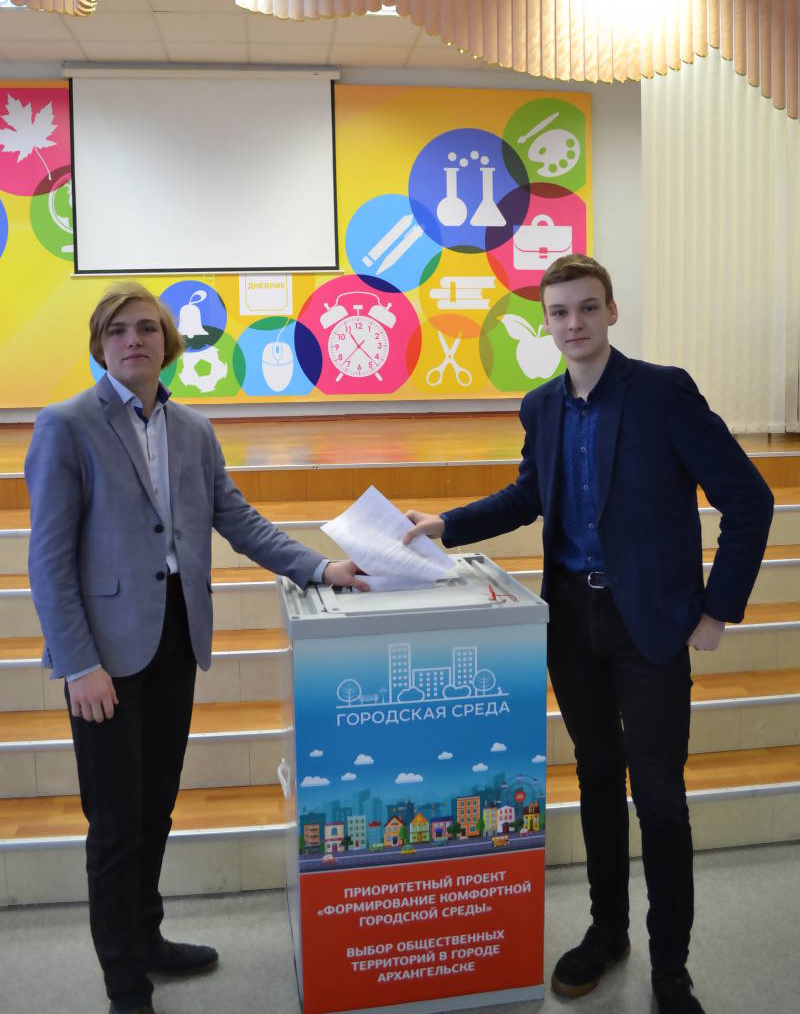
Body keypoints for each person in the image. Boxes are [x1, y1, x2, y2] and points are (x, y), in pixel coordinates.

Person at [404, 254, 773, 1014]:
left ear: (611, 312)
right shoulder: (541, 406)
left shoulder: (663, 393)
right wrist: (444, 524)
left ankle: (671, 968)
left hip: (651, 626)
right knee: (598, 780)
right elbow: (529, 496)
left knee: (660, 798)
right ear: (545, 322)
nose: (573, 323)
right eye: (559, 312)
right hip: (572, 621)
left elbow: (750, 499)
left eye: (587, 308)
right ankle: (608, 933)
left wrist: (717, 609)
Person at [25, 282, 366, 1014]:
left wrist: (320, 567)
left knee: (155, 808)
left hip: (177, 638)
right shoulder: (66, 425)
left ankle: (147, 939)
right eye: (118, 330)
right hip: (104, 658)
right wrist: (78, 664)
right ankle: (126, 985)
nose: (134, 339)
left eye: (147, 328)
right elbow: (48, 560)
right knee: (115, 825)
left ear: (168, 343)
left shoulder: (194, 430)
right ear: (100, 345)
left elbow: (239, 520)